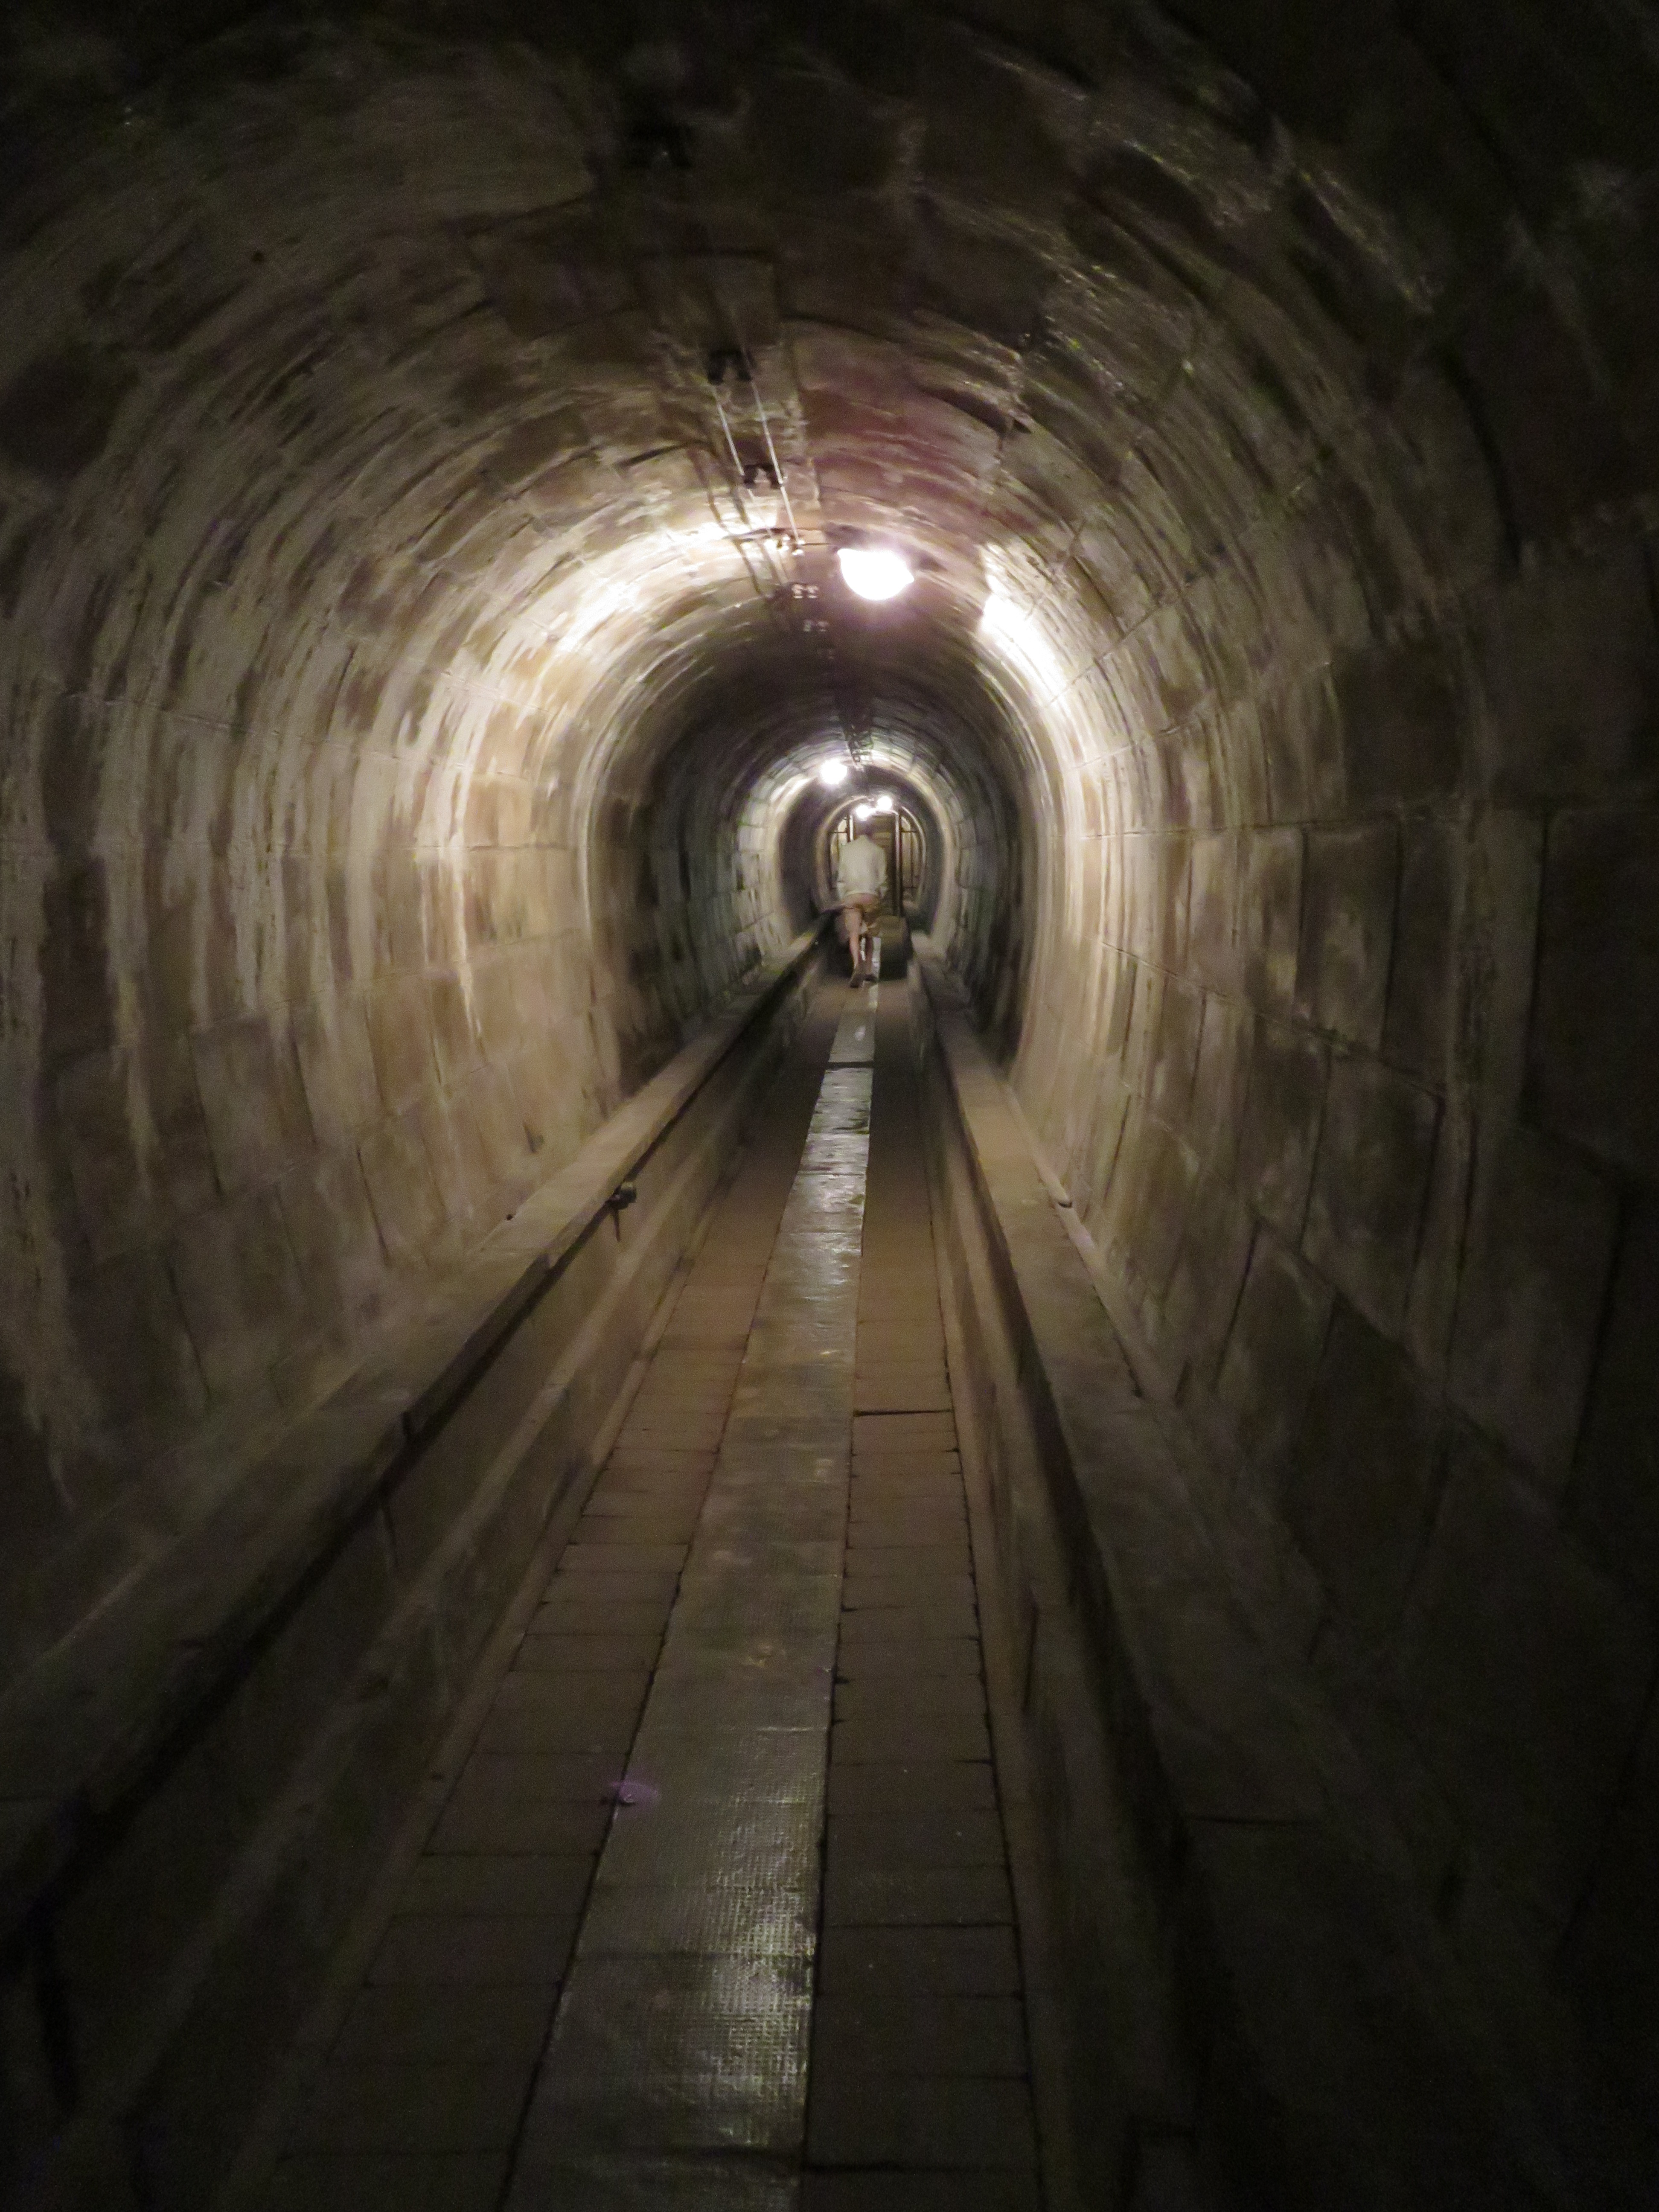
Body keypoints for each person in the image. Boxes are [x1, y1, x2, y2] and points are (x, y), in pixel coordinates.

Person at [834, 824, 887, 984]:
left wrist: (844, 897)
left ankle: (857, 965)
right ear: (872, 833)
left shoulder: (846, 850)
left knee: (854, 934)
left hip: (851, 895)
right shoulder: (878, 851)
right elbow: (882, 880)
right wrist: (880, 897)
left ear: (857, 832)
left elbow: (841, 877)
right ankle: (869, 971)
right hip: (871, 895)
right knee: (871, 934)